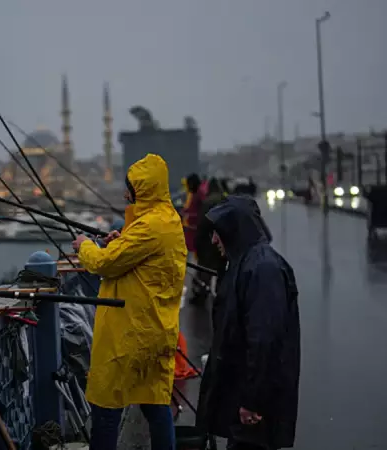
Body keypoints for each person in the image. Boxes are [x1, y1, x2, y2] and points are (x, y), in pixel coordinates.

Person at [71, 153, 186, 450]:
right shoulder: (165, 219)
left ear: (144, 190)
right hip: (155, 327)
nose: (126, 194)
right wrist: (120, 240)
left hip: (131, 333)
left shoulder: (149, 227)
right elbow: (134, 255)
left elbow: (105, 264)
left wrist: (85, 246)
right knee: (154, 403)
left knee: (106, 406)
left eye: (131, 188)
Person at [196, 196, 300, 450]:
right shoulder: (245, 264)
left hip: (256, 406)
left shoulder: (262, 269)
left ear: (233, 230)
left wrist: (253, 401)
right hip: (245, 398)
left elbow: (264, 340)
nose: (214, 240)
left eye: (218, 233)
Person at [189, 177, 227, 306]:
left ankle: (201, 297)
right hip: (224, 244)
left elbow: (202, 225)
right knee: (222, 273)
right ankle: (222, 300)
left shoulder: (207, 202)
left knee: (205, 272)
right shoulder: (226, 201)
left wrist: (198, 243)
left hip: (208, 244)